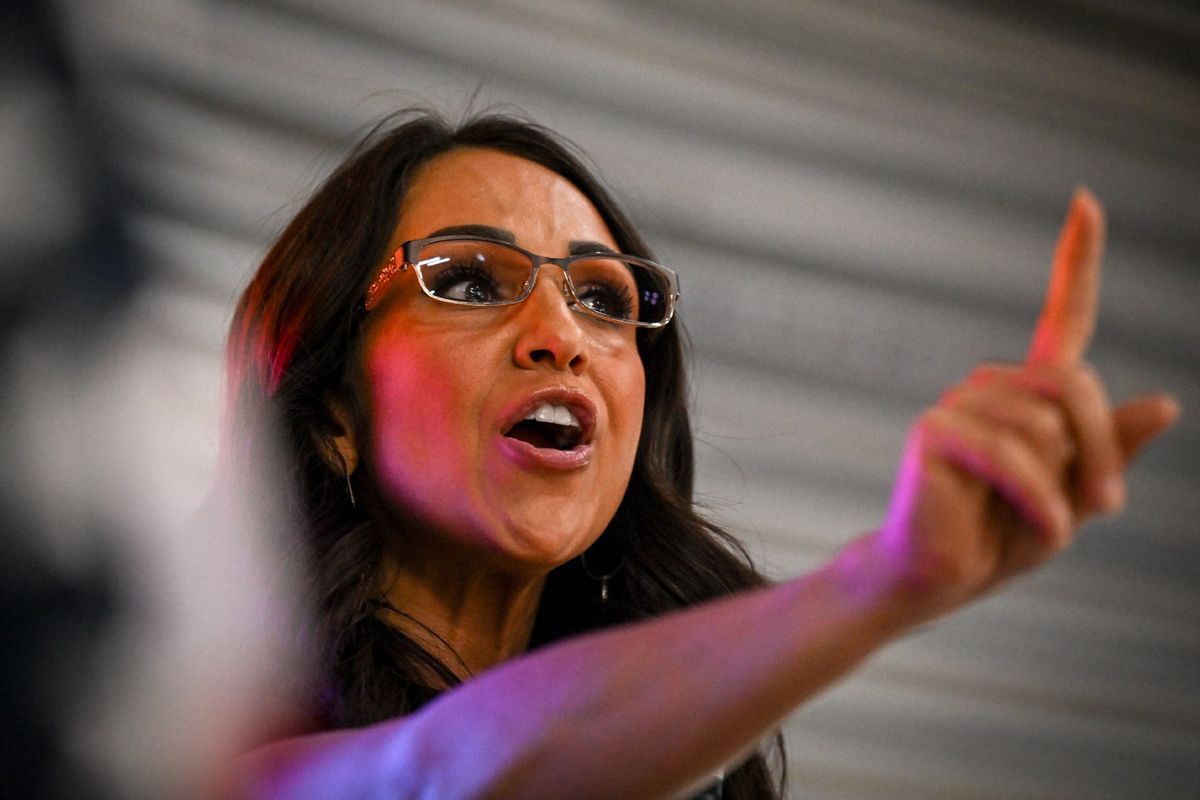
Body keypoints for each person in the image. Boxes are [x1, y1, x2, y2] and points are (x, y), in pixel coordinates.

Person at [223, 110, 1178, 800]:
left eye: (603, 298)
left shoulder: (708, 774)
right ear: (332, 412)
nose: (561, 333)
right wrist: (879, 581)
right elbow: (432, 777)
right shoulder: (183, 727)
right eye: (471, 278)